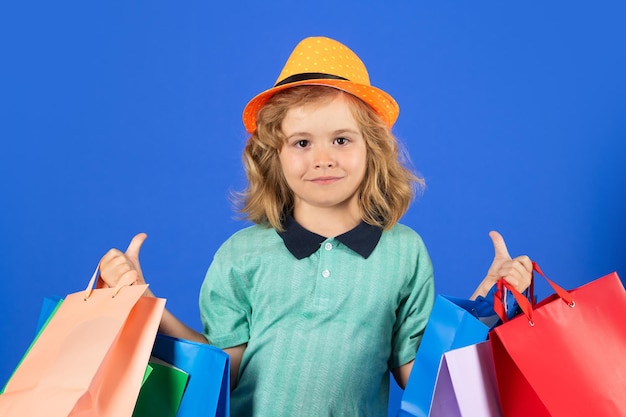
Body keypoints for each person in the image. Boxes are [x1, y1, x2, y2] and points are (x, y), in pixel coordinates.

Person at [99, 36, 532, 416]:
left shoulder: (404, 251)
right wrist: (148, 308)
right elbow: (221, 369)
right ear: (275, 155)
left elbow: (414, 374)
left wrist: (483, 305)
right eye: (302, 143)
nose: (323, 157)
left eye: (341, 140)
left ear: (372, 150)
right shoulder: (241, 254)